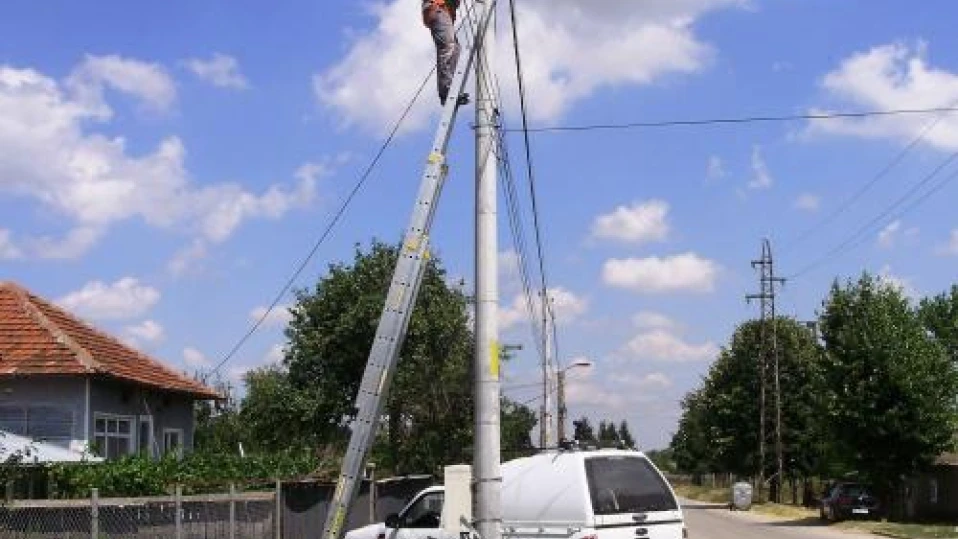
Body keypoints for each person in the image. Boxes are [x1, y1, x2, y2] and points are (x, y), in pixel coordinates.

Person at [422, 0, 466, 105]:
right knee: (448, 48)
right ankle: (447, 90)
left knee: (455, 48)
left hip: (442, 10)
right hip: (438, 7)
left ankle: (447, 89)